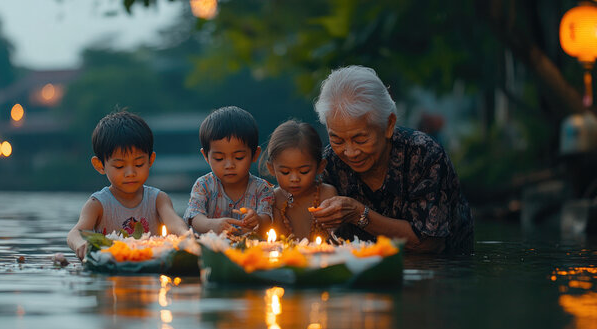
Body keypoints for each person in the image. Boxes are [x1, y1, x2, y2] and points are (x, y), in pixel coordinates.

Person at [311, 66, 474, 254]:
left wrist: (359, 214)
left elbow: (429, 243)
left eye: (361, 139)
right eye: (337, 140)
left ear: (389, 125)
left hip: (440, 269)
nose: (350, 152)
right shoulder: (330, 161)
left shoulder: (423, 154)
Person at [66, 111, 188, 260]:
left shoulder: (158, 199)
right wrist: (80, 244)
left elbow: (174, 222)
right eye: (119, 166)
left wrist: (185, 235)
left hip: (151, 265)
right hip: (111, 269)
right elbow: (75, 233)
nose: (130, 173)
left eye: (139, 164)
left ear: (151, 160)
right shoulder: (97, 204)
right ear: (100, 165)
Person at [184, 106, 274, 235]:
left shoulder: (262, 189)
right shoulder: (203, 185)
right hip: (213, 250)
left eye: (239, 157)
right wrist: (211, 224)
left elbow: (267, 219)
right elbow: (194, 216)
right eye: (219, 158)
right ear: (206, 156)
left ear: (255, 154)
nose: (229, 165)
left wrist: (257, 220)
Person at [261, 119, 337, 241]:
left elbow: (334, 237)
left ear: (320, 166)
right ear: (271, 168)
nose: (294, 179)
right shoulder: (274, 199)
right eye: (285, 172)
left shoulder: (327, 194)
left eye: (304, 171)